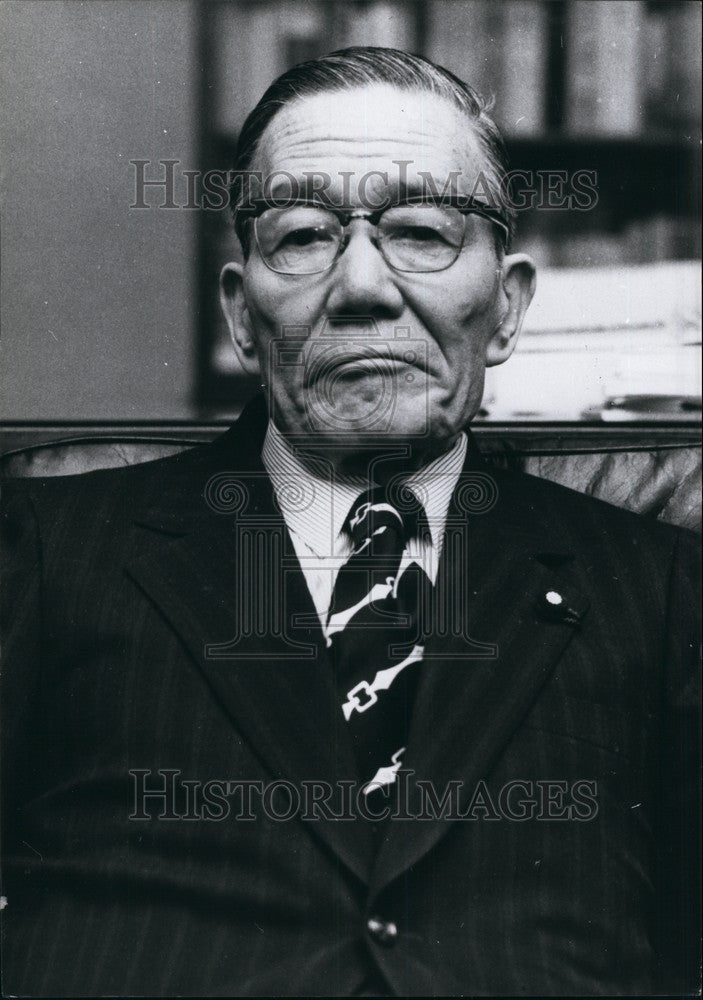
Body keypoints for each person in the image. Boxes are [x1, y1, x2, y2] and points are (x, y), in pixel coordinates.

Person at [1, 47, 699, 997]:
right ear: (244, 315)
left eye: (420, 230)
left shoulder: (660, 589)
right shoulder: (44, 547)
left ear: (505, 306)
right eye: (301, 235)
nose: (364, 286)